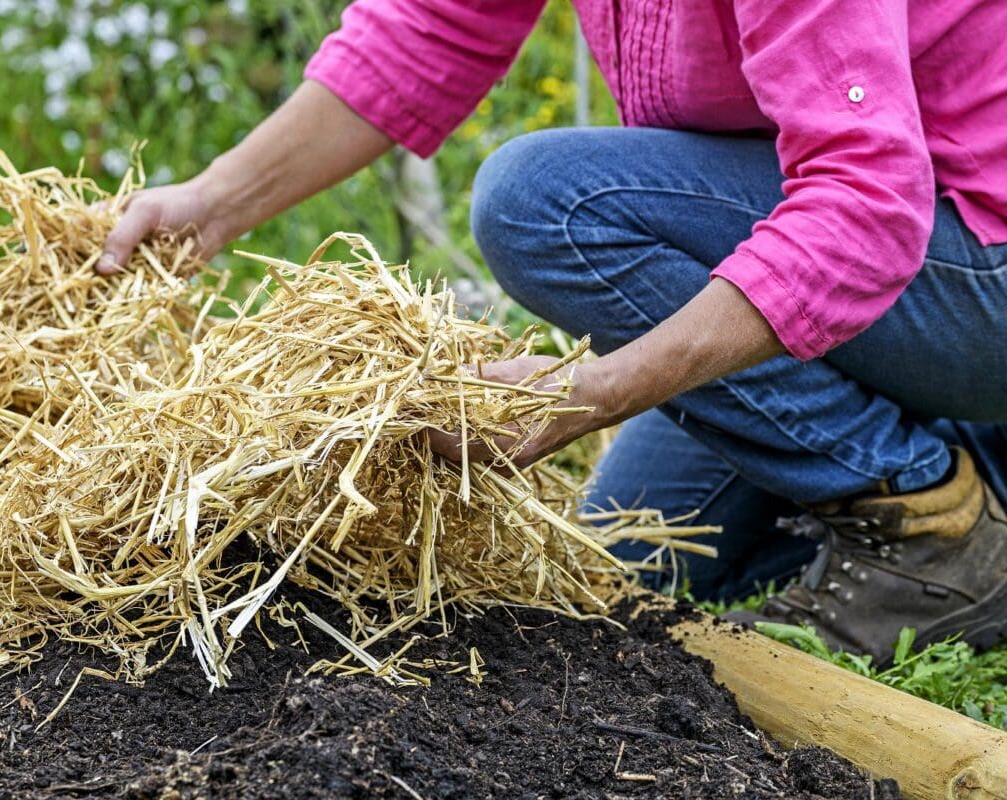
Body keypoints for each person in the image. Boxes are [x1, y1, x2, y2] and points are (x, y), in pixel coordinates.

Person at [98, 1, 1007, 666]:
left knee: (546, 203)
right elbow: (432, 27)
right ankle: (970, 463)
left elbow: (863, 203)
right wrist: (208, 209)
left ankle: (933, 522)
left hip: (975, 257)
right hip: (873, 269)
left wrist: (598, 392)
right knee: (633, 555)